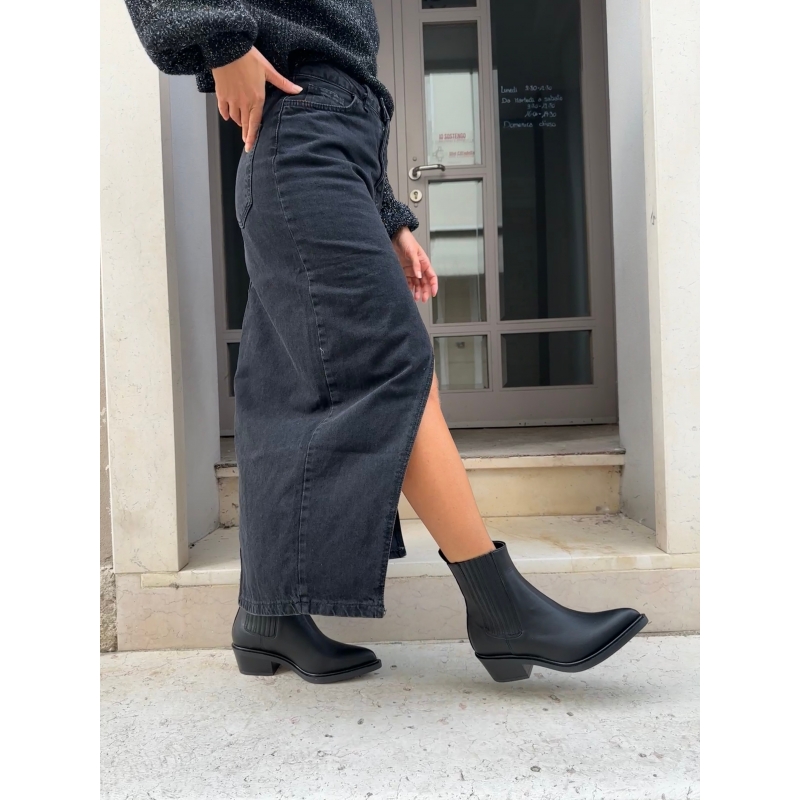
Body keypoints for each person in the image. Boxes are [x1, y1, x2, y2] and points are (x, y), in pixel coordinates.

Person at [122, 0, 647, 684]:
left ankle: (270, 615)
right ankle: (502, 611)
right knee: (395, 366)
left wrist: (388, 216)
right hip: (301, 148)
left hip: (329, 155)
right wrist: (220, 44)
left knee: (284, 389)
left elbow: (343, 82)